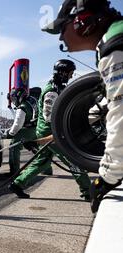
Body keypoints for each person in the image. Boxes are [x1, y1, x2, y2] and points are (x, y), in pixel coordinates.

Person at [43, 0, 123, 212]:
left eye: (62, 28)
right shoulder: (114, 39)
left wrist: (108, 177)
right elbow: (112, 106)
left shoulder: (115, 45)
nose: (61, 37)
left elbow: (121, 115)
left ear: (81, 22)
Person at [9, 59, 92, 200]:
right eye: (70, 73)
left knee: (42, 162)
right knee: (73, 160)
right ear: (62, 73)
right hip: (50, 132)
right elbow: (49, 117)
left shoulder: (58, 87)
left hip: (50, 130)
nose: (71, 76)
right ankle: (88, 191)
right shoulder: (51, 92)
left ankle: (17, 184)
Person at [4, 88, 51, 175]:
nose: (14, 101)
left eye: (14, 99)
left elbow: (17, 125)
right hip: (37, 129)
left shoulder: (22, 107)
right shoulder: (32, 101)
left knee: (14, 146)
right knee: (37, 148)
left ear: (19, 97)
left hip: (28, 130)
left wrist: (10, 134)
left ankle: (14, 172)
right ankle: (47, 169)